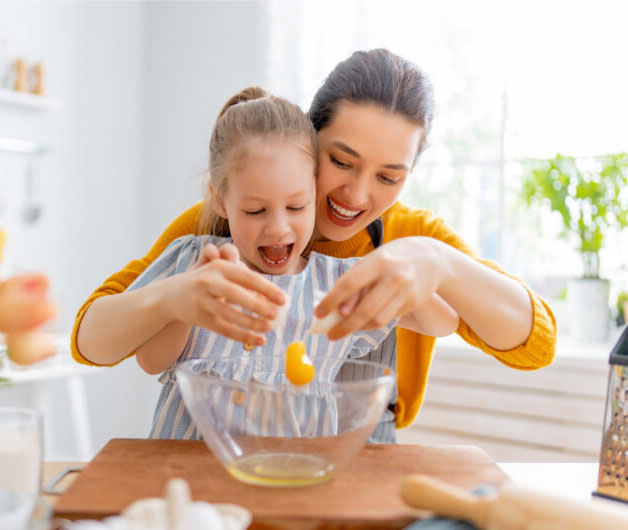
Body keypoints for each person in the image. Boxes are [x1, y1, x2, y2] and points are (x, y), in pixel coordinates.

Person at [73, 49, 556, 443]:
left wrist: (440, 264)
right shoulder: (218, 225)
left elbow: (534, 347)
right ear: (308, 140)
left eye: (389, 176)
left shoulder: (409, 236)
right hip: (203, 458)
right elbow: (95, 339)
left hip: (347, 459)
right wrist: (173, 298)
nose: (358, 195)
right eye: (342, 161)